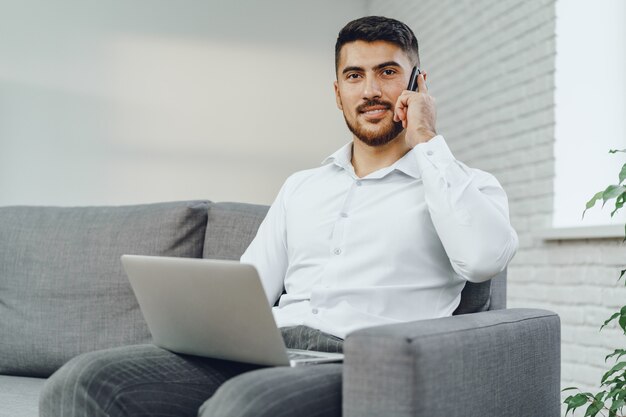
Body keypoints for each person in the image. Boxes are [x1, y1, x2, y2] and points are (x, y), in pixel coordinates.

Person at [39, 15, 518, 417]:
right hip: (269, 350)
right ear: (337, 92)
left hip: (359, 362)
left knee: (244, 405)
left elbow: (482, 261)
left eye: (388, 72)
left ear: (418, 85)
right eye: (354, 76)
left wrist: (427, 139)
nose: (370, 90)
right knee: (80, 381)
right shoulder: (302, 187)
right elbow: (250, 286)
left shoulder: (463, 185)